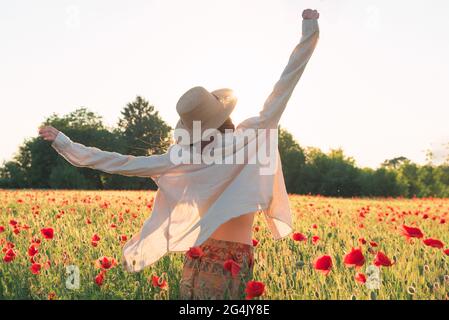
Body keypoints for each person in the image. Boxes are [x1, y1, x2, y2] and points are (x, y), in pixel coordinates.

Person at [38, 8, 320, 300]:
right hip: (237, 258)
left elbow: (120, 162)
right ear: (224, 115)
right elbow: (286, 82)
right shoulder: (251, 136)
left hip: (198, 256)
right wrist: (309, 29)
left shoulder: (182, 158)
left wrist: (65, 142)